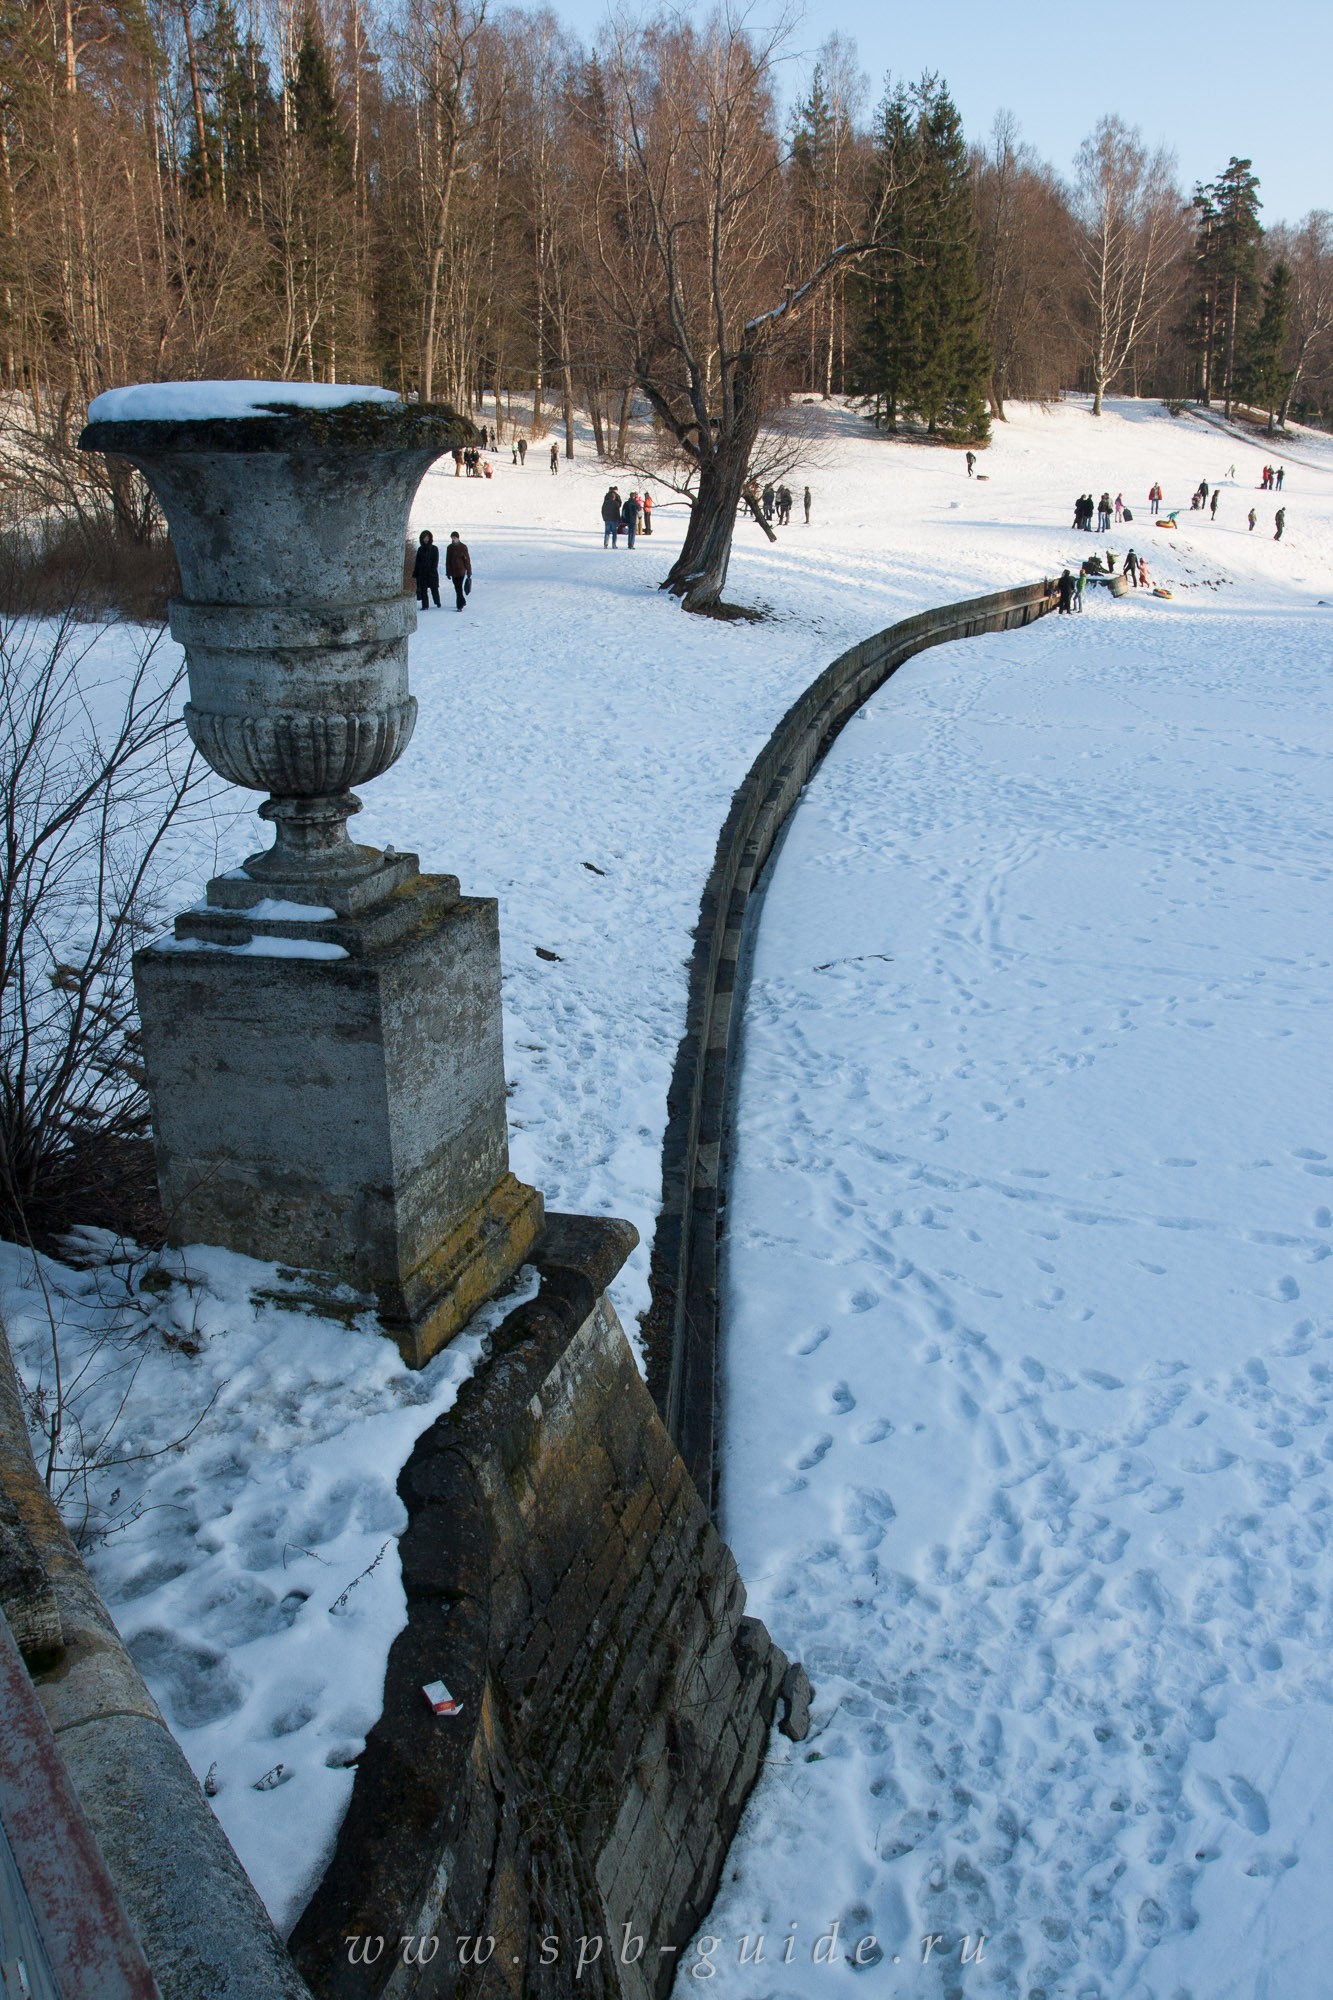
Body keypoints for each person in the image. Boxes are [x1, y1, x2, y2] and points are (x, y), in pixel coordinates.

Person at [413, 529, 440, 609]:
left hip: (432, 572)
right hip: (422, 573)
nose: (426, 540)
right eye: (424, 538)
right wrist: (416, 572)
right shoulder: (420, 549)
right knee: (423, 589)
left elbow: (436, 560)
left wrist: (432, 569)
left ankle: (437, 602)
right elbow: (417, 562)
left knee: (434, 589)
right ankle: (425, 605)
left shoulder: (434, 548)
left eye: (427, 538)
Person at [444, 530, 471, 610]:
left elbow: (467, 560)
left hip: (461, 571)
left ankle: (459, 606)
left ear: (458, 538)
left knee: (458, 587)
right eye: (452, 538)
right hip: (453, 571)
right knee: (457, 588)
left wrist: (469, 571)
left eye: (454, 538)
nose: (453, 539)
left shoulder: (463, 547)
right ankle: (462, 601)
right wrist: (448, 573)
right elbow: (448, 561)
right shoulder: (449, 548)